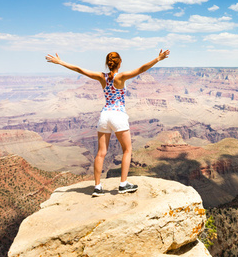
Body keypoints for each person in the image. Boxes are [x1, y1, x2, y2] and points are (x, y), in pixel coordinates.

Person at [45, 49, 170, 196]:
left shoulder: (101, 77)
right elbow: (141, 69)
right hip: (118, 116)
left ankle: (97, 187)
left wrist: (60, 62)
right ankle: (123, 184)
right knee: (127, 150)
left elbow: (79, 69)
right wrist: (158, 59)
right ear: (120, 63)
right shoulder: (121, 77)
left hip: (104, 116)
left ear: (107, 63)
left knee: (101, 152)